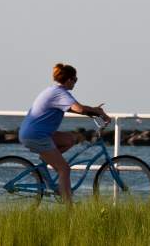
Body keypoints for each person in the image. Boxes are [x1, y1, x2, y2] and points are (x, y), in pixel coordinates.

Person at [18, 63, 111, 203]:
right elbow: (79, 108)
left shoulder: (53, 91)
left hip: (36, 133)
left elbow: (72, 109)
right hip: (37, 136)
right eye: (75, 79)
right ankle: (69, 209)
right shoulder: (60, 93)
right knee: (64, 169)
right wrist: (98, 112)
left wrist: (93, 111)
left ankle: (45, 163)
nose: (75, 83)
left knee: (71, 139)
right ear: (69, 80)